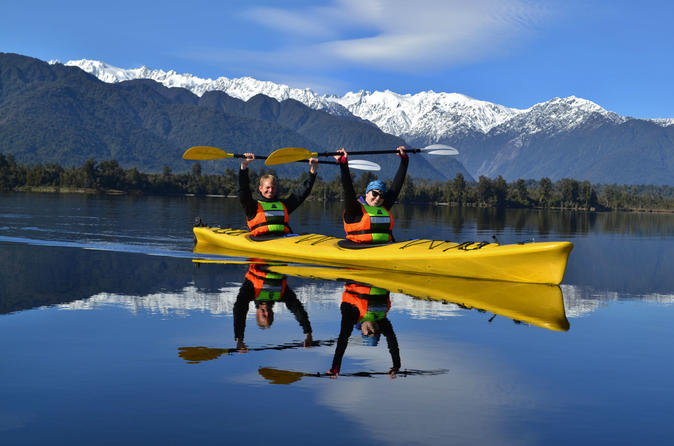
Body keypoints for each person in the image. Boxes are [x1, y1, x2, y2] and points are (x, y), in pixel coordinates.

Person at [333, 146, 408, 244]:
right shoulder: (354, 209)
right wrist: (343, 163)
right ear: (367, 193)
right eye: (374, 193)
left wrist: (404, 160)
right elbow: (348, 188)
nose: (378, 198)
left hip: (383, 248)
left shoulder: (383, 206)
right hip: (356, 248)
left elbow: (397, 185)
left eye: (382, 196)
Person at [326, 281, 401, 378]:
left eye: (368, 333)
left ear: (362, 330)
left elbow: (343, 338)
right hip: (381, 281)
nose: (372, 330)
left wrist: (335, 366)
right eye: (376, 333)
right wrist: (396, 366)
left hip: (359, 281)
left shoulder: (352, 315)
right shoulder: (381, 320)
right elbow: (392, 342)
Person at [233, 263, 313, 352]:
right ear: (272, 313)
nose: (266, 312)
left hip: (260, 260)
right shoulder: (281, 295)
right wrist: (308, 333)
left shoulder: (251, 291)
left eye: (263, 315)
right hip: (279, 262)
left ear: (257, 313)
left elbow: (239, 310)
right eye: (269, 315)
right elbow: (298, 309)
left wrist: (239, 338)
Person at [239, 153, 318, 237]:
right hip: (262, 240)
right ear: (260, 188)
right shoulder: (252, 207)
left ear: (276, 188)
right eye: (267, 187)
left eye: (273, 187)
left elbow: (302, 192)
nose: (270, 190)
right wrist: (244, 166)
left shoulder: (284, 205)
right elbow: (244, 190)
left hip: (284, 239)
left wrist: (313, 171)